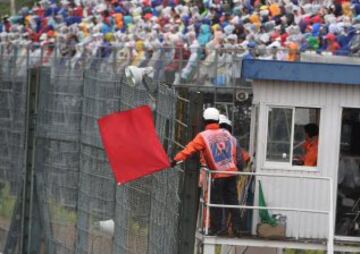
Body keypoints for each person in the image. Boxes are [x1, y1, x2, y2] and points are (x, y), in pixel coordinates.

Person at [171, 107, 243, 237]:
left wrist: (175, 160)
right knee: (232, 201)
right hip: (232, 173)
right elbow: (234, 150)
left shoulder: (203, 136)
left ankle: (217, 229)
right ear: (217, 120)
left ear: (204, 121)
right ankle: (238, 228)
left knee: (215, 202)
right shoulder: (227, 134)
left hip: (218, 175)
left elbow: (189, 150)